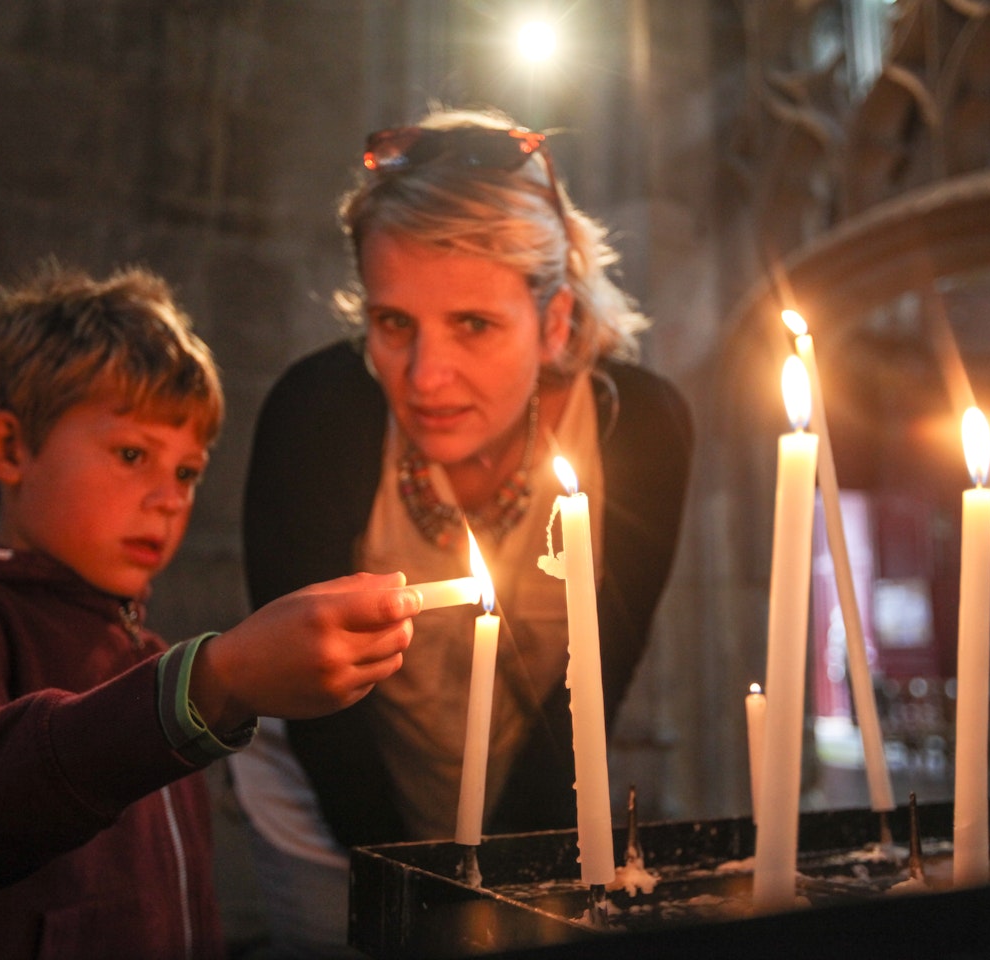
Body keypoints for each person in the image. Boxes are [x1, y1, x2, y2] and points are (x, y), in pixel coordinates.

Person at [0, 262, 421, 960]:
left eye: (187, 472)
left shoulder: (147, 660)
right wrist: (212, 683)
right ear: (10, 447)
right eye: (133, 453)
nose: (169, 498)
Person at [231, 107, 693, 955]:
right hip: (330, 822)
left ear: (553, 322)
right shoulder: (318, 412)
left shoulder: (640, 430)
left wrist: (506, 883)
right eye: (393, 322)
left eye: (473, 325)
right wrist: (410, 890)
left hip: (526, 816)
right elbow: (323, 719)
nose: (424, 377)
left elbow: (585, 696)